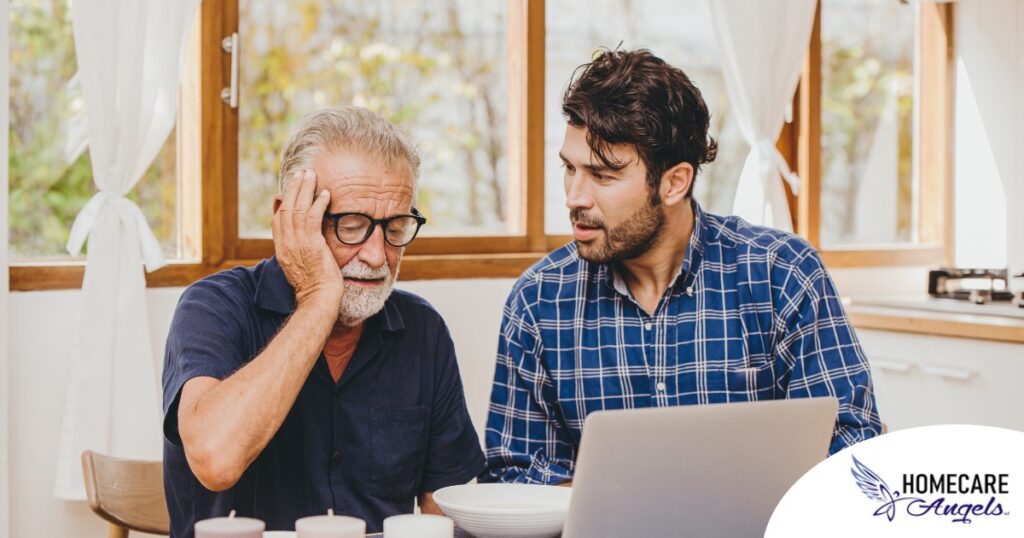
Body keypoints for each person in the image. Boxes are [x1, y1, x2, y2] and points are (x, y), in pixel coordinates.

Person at [481, 49, 881, 484]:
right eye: (569, 168)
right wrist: (614, 501)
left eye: (602, 175)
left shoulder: (782, 275)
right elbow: (513, 470)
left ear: (674, 182)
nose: (574, 197)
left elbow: (852, 446)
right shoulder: (539, 300)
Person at [162, 107, 484, 537]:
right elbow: (215, 459)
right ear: (289, 217)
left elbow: (444, 511)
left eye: (396, 227)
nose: (376, 255)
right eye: (351, 226)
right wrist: (318, 301)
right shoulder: (213, 306)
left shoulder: (424, 332)